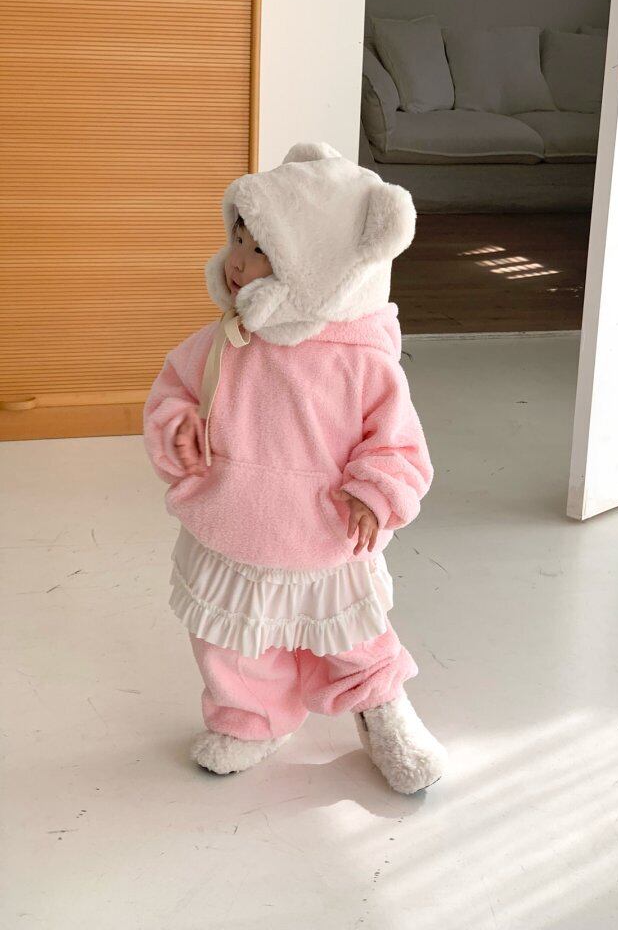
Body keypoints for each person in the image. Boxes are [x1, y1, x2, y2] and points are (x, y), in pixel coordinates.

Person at [143, 141, 447, 794]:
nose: (237, 262)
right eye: (238, 239)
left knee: (354, 635)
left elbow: (398, 445)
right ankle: (251, 718)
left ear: (317, 265)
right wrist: (179, 428)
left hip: (326, 534)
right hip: (234, 528)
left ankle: (381, 710)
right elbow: (174, 391)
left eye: (261, 250)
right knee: (231, 643)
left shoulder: (360, 361)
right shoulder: (225, 340)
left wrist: (376, 493)